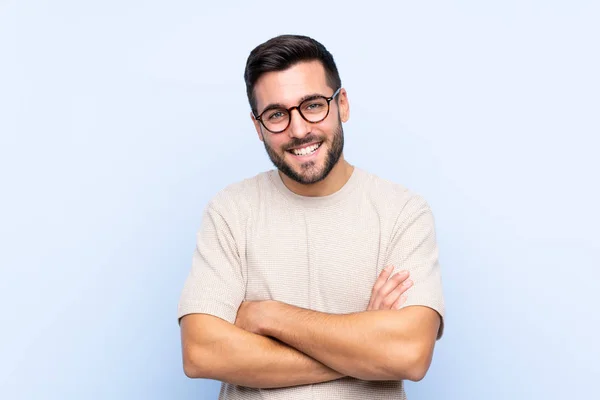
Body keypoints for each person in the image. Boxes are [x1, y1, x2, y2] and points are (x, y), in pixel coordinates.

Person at [177, 34, 445, 400]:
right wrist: (363, 345)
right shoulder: (230, 211)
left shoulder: (402, 212)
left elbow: (409, 355)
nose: (299, 129)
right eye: (276, 115)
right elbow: (201, 354)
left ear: (343, 105)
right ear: (258, 127)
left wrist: (268, 316)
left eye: (313, 105)